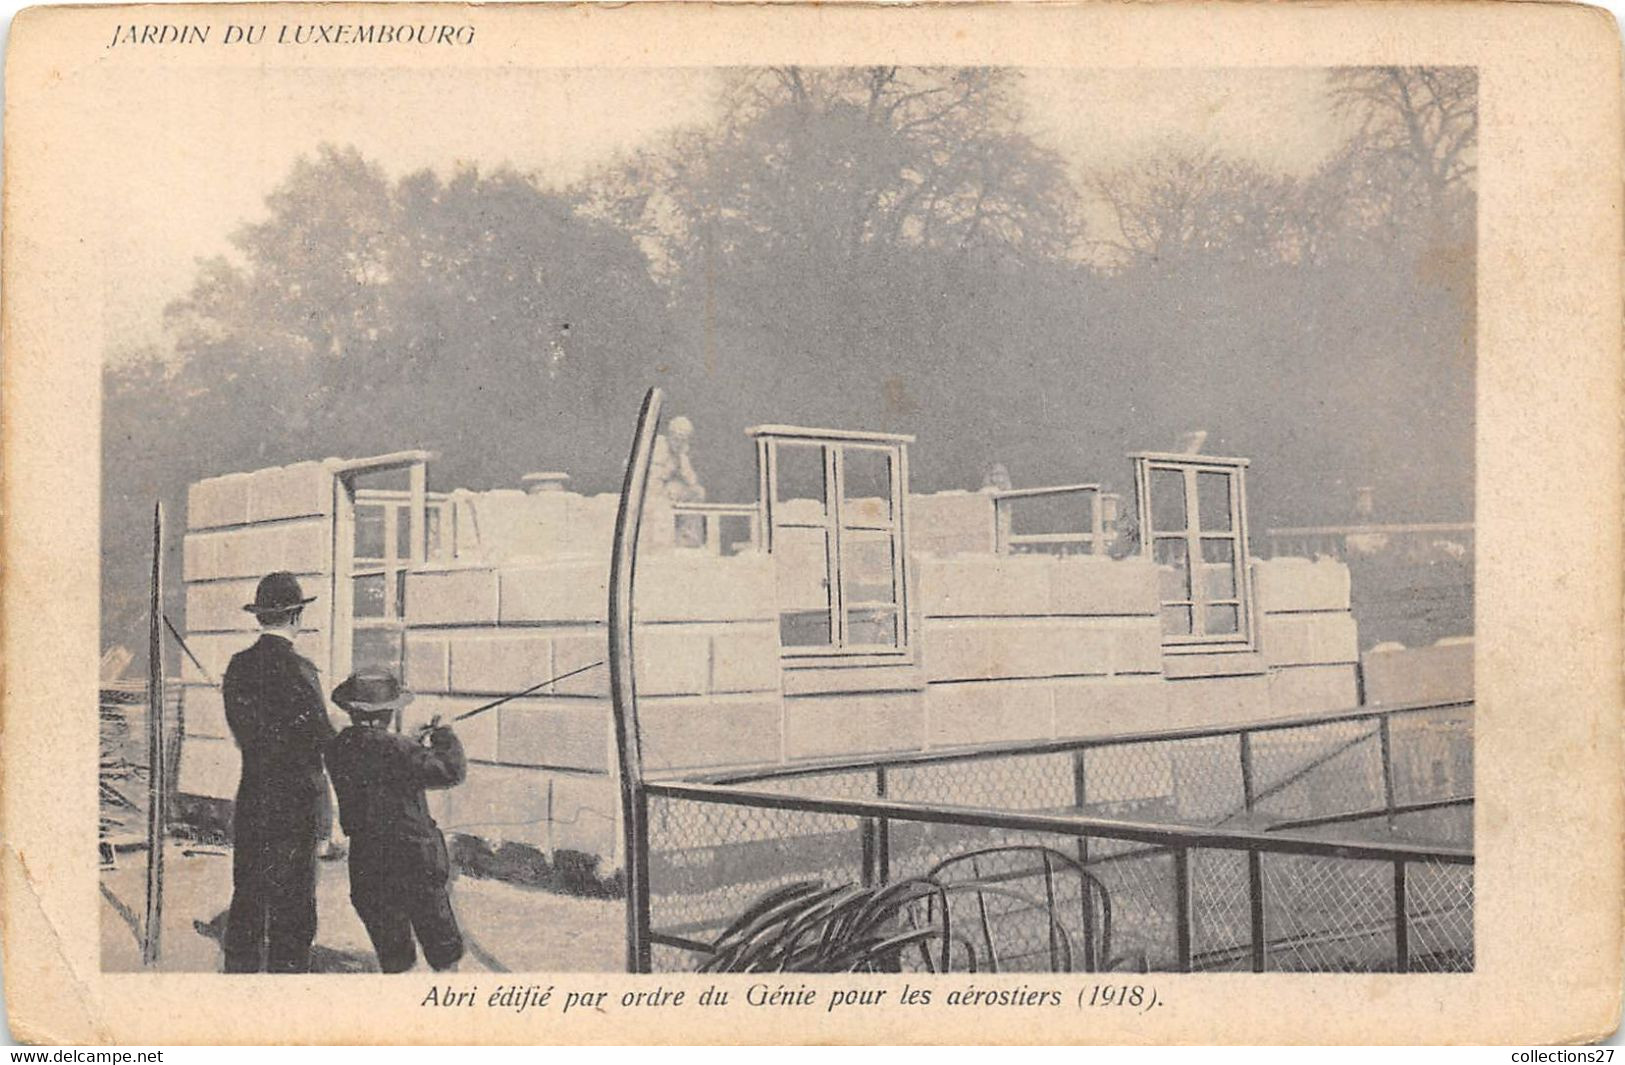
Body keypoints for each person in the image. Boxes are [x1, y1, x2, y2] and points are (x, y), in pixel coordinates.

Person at [221, 571, 336, 973]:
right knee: (293, 909)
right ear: (296, 618)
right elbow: (324, 741)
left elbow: (245, 733)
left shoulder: (237, 668)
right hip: (295, 806)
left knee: (248, 900)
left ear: (261, 617)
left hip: (253, 798)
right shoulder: (301, 670)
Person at [325, 668, 467, 973]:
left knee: (392, 948)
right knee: (440, 941)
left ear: (351, 710)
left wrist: (410, 744)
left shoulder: (337, 748)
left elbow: (376, 753)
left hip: (367, 857)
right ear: (388, 713)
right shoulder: (400, 750)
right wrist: (444, 734)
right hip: (415, 857)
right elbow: (451, 771)